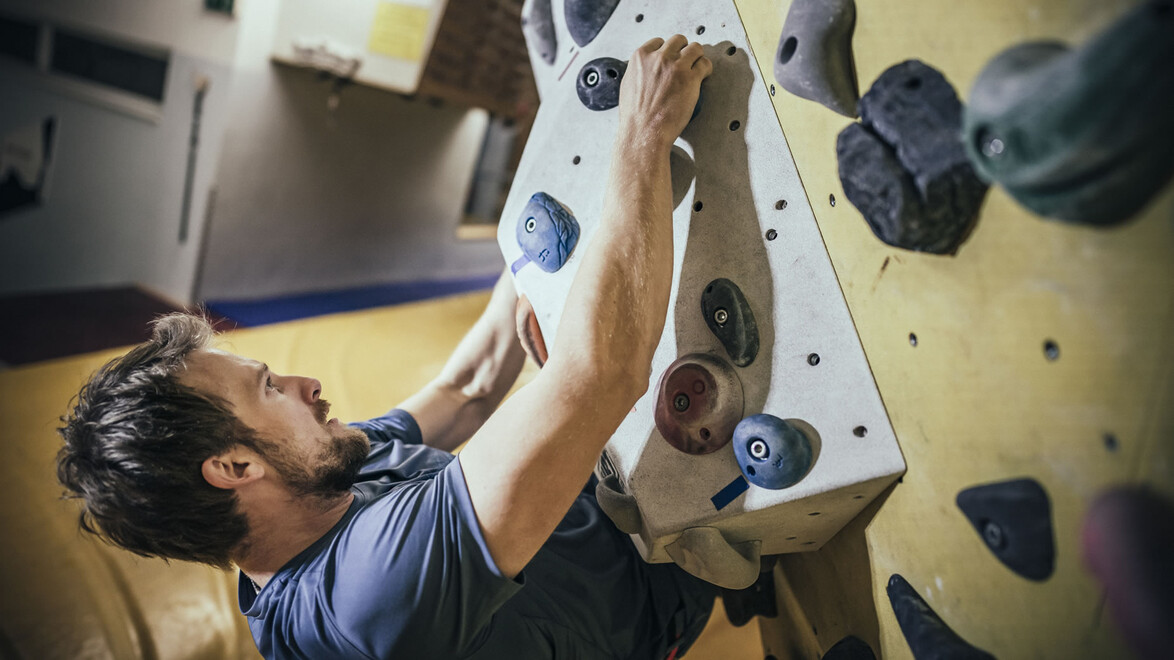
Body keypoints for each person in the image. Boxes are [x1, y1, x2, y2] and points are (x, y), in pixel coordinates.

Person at [57, 35, 714, 659]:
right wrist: (641, 135)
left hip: (608, 491)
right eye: (267, 388)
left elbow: (469, 389)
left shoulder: (317, 474)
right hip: (657, 579)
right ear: (234, 469)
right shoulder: (364, 599)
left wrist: (540, 238)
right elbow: (600, 376)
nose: (304, 385)